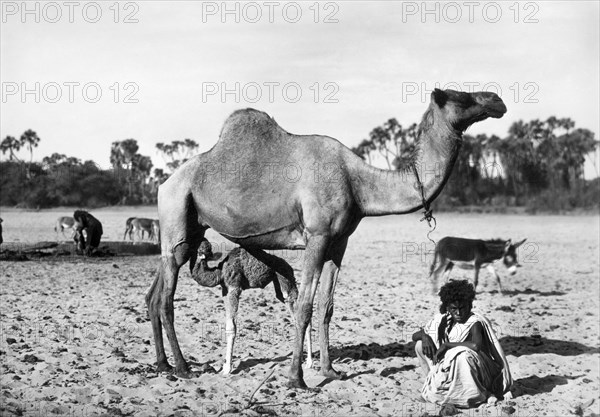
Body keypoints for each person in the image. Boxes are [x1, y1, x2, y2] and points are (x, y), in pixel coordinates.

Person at [412, 280, 512, 408]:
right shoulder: (442, 320)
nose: (458, 313)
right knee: (420, 345)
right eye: (454, 309)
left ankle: (475, 395)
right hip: (450, 370)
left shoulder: (474, 322)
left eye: (462, 308)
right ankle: (435, 384)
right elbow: (414, 335)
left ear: (469, 306)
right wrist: (425, 336)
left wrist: (447, 345)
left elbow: (476, 346)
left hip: (480, 373)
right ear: (447, 308)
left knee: (462, 354)